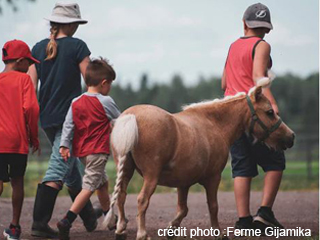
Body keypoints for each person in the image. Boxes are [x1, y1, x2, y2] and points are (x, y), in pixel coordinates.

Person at [28, 3, 100, 238]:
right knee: (59, 168)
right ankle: (39, 223)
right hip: (70, 119)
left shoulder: (37, 48)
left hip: (46, 118)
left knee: (70, 168)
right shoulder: (78, 46)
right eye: (76, 24)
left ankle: (88, 216)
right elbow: (91, 81)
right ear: (70, 24)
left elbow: (29, 88)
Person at [221, 3, 285, 230]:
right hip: (254, 113)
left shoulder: (232, 46)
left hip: (231, 114)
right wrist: (273, 104)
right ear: (266, 29)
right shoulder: (262, 45)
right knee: (276, 160)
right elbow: (259, 76)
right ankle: (265, 213)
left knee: (241, 167)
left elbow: (224, 83)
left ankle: (244, 220)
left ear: (244, 23)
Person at [57, 58, 121, 240]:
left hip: (82, 154)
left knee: (102, 183)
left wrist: (64, 145)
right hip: (98, 152)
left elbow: (68, 125)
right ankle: (66, 221)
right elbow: (121, 120)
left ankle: (110, 217)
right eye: (110, 84)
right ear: (104, 83)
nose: (110, 88)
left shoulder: (76, 101)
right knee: (88, 188)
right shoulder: (105, 101)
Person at [0, 40, 40, 240]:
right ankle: (14, 228)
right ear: (21, 61)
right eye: (29, 63)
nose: (30, 67)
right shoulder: (24, 81)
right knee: (17, 182)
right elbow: (31, 108)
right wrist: (34, 136)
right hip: (17, 141)